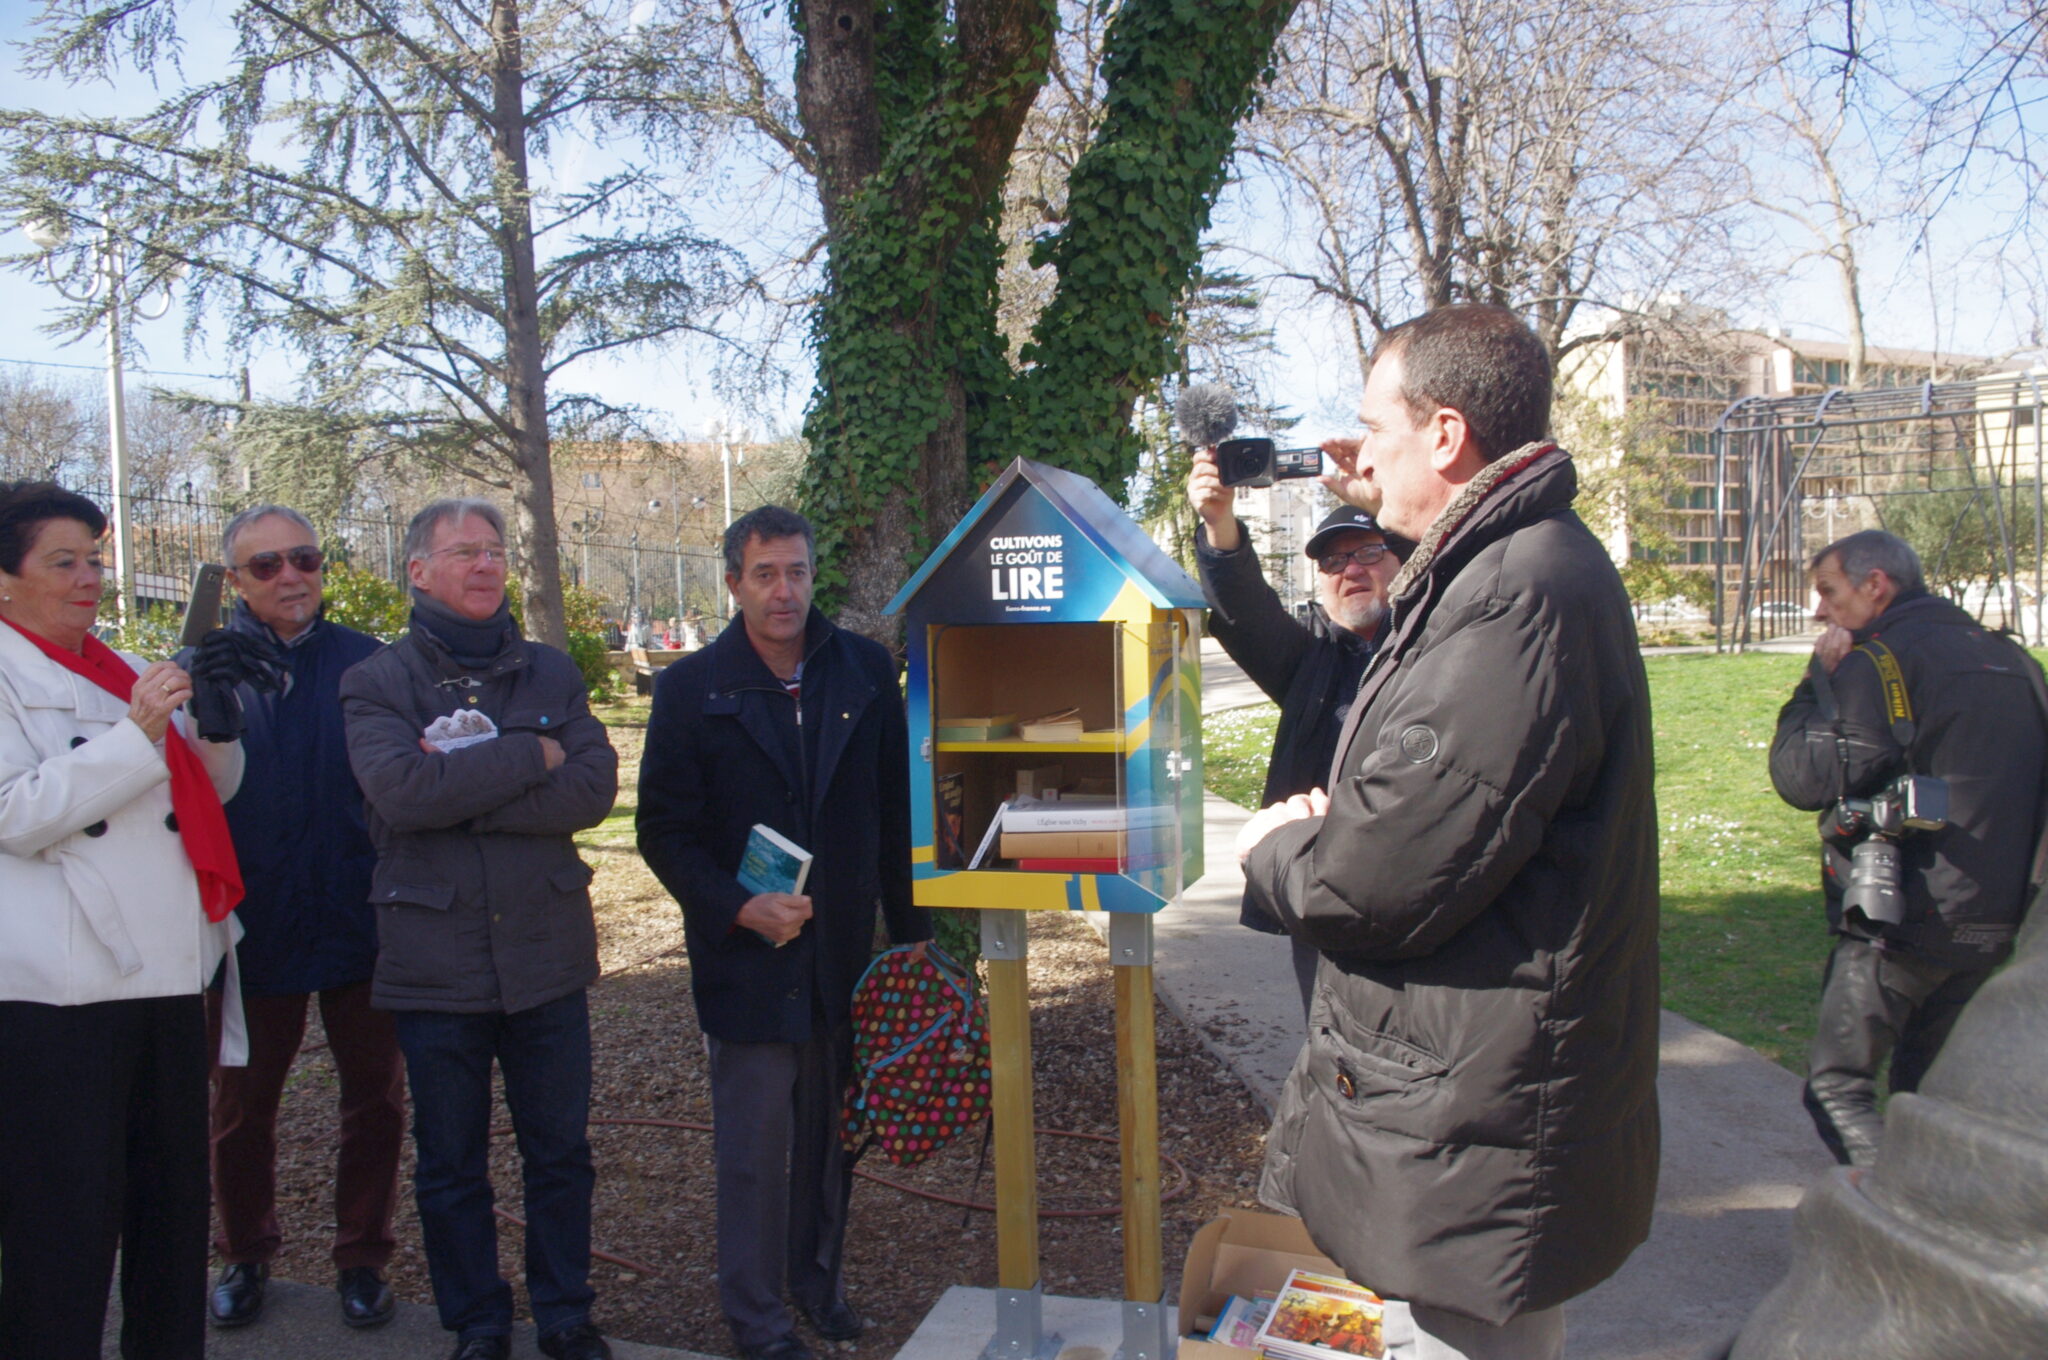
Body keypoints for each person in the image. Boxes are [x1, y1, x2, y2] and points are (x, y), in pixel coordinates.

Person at [1234, 305, 1660, 1360]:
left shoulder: (1516, 594)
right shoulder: (1499, 564)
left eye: (1377, 427)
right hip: (1467, 1115)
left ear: (1445, 434)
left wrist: (1278, 846)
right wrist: (1379, 495)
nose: (1361, 450)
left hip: (1476, 1139)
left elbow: (1375, 879)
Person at [637, 505, 930, 1360]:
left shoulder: (863, 671)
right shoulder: (693, 690)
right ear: (734, 583)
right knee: (756, 1151)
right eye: (764, 574)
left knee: (830, 1140)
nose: (784, 591)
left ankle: (817, 1283)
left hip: (841, 956)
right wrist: (736, 905)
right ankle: (758, 1319)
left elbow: (896, 815)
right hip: (749, 960)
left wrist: (910, 940)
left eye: (796, 572)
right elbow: (663, 831)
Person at [341, 499, 619, 1360]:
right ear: (418, 571)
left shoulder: (551, 673)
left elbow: (592, 790)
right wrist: (531, 756)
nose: (486, 565)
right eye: (465, 551)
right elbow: (402, 794)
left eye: (495, 550)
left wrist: (462, 788)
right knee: (451, 1162)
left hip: (545, 952)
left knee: (559, 1152)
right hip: (435, 961)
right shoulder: (376, 682)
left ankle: (565, 1313)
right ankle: (479, 1321)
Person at [0, 480, 245, 1359]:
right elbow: (16, 814)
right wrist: (138, 731)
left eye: (95, 560)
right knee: (63, 1223)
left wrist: (215, 722)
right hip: (60, 991)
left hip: (166, 970)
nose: (89, 578)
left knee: (171, 1212)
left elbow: (207, 793)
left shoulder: (117, 663)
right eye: (63, 562)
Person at [1767, 529, 2047, 1167]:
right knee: (1924, 1096)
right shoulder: (2014, 661)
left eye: (1828, 591)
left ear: (1876, 585)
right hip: (1994, 920)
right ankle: (1937, 1212)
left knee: (1838, 1087)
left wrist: (1816, 683)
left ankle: (1887, 1211)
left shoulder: (1878, 661)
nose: (1821, 611)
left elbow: (1802, 778)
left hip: (1899, 920)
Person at [195, 505, 405, 1331]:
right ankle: (245, 1251)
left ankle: (363, 1256)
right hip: (253, 926)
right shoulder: (206, 666)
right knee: (242, 1106)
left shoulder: (370, 663)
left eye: (305, 559)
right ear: (235, 579)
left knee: (375, 1100)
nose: (290, 576)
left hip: (360, 918)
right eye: (266, 564)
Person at [1187, 451, 1400, 1015]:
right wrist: (1219, 523)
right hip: (1323, 892)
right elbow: (1244, 611)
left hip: (1412, 890)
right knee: (1329, 1036)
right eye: (1332, 561)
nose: (1350, 570)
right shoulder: (1310, 659)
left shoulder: (1435, 642)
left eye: (1369, 552)